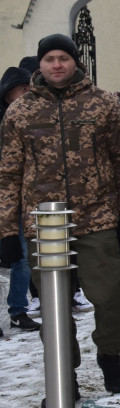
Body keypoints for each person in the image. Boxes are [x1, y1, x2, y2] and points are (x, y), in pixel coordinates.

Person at [0, 34, 120, 402]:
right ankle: (65, 374)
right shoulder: (20, 111)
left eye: (64, 57)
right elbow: (8, 174)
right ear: (40, 64)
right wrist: (5, 230)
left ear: (75, 61)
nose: (57, 64)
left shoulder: (103, 105)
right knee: (54, 303)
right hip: (45, 225)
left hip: (96, 218)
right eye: (49, 59)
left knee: (107, 294)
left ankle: (110, 356)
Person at [0, 66, 39, 334]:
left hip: (20, 198)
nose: (27, 94)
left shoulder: (29, 119)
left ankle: (18, 310)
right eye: (22, 89)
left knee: (23, 258)